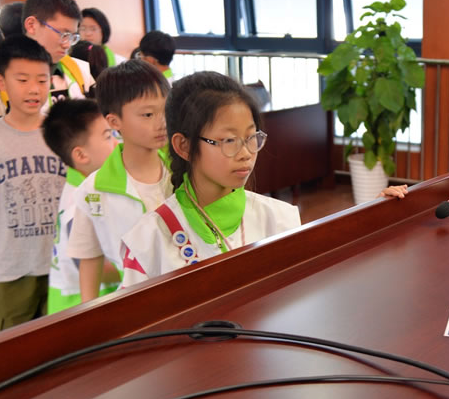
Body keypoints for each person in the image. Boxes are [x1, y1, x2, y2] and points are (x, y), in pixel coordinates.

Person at [120, 71, 301, 287]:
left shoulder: (281, 219)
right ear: (184, 146)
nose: (245, 153)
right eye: (229, 140)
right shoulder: (148, 241)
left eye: (251, 137)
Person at [66, 59, 171, 302]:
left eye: (166, 110)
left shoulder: (185, 173)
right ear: (114, 122)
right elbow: (90, 257)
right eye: (148, 114)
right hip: (134, 302)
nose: (162, 122)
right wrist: (89, 313)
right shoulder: (93, 190)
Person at [0, 36, 65, 333]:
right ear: (1, 82)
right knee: (9, 347)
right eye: (23, 80)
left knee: (64, 343)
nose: (34, 89)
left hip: (62, 264)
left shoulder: (63, 133)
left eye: (42, 80)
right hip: (11, 266)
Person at [42, 99, 118, 313]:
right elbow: (87, 265)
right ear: (81, 155)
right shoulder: (77, 204)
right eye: (108, 136)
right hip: (77, 309)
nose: (116, 143)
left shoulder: (87, 186)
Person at [0, 0, 95, 123]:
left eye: (72, 37)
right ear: (31, 25)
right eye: (63, 34)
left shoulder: (81, 71)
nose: (66, 44)